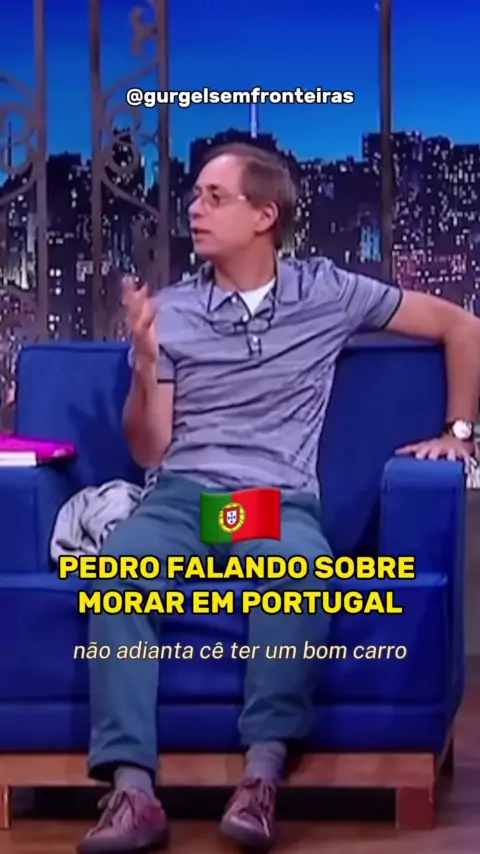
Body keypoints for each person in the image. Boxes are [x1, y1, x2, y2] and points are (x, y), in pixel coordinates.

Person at [78, 142, 480, 854]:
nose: (195, 210)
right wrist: (143, 367)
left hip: (270, 501)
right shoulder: (171, 311)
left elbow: (462, 325)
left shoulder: (326, 292)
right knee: (119, 577)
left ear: (265, 216)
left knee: (297, 573)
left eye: (215, 197)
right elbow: (149, 450)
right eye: (194, 196)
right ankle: (132, 792)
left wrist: (458, 433)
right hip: (184, 498)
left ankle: (260, 780)